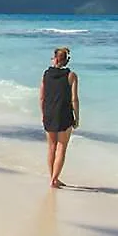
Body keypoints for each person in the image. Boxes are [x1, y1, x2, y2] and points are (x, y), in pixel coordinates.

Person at [39, 46, 79, 188]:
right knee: (61, 147)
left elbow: (42, 97)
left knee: (51, 147)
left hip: (49, 113)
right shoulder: (71, 76)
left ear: (55, 59)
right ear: (66, 61)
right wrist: (77, 118)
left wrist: (43, 114)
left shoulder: (46, 74)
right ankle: (54, 179)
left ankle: (53, 178)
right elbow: (74, 99)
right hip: (64, 114)